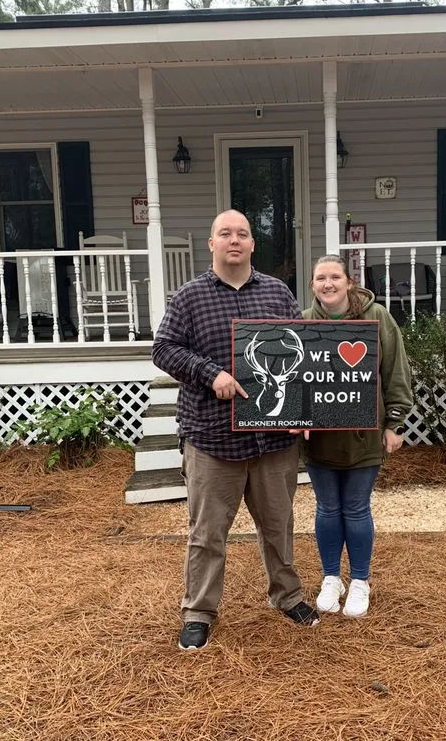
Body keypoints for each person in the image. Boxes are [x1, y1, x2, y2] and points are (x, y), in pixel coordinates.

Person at [152, 209, 320, 652]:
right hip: (212, 438)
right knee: (207, 533)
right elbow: (163, 349)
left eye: (242, 234)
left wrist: (301, 411)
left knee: (279, 525)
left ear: (252, 244)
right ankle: (199, 612)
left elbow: (302, 352)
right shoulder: (189, 297)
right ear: (212, 244)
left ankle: (288, 596)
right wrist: (210, 374)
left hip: (272, 440)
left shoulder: (278, 292)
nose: (234, 240)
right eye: (225, 233)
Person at [301, 254, 413, 618]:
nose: (328, 284)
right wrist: (295, 414)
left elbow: (395, 370)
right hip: (319, 437)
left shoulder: (376, 316)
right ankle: (332, 577)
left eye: (335, 277)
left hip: (364, 433)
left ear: (349, 282)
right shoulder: (303, 322)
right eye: (321, 278)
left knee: (356, 507)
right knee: (327, 507)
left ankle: (361, 580)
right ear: (312, 284)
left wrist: (395, 422)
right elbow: (296, 378)